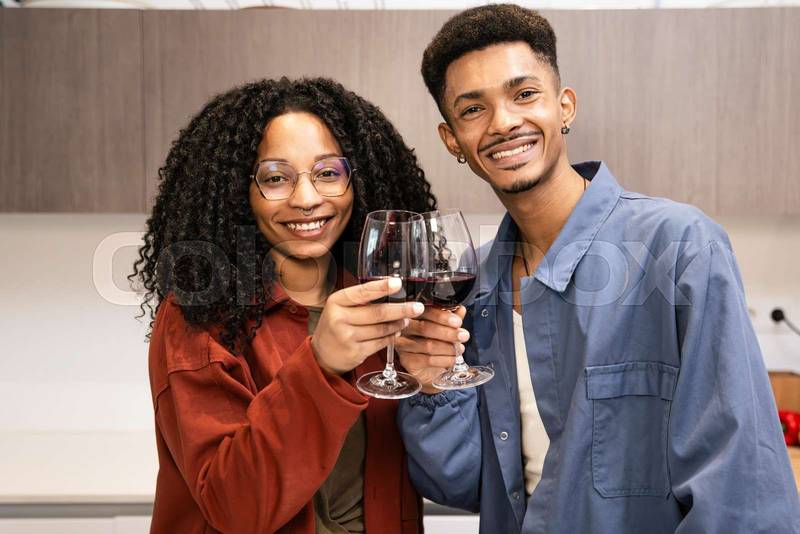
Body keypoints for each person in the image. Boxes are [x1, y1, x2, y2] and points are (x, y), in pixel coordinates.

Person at [395, 5, 800, 533]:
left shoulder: (679, 248)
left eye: (524, 94)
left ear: (565, 107)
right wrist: (433, 386)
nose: (503, 123)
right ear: (453, 140)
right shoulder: (478, 290)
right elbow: (463, 484)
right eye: (473, 110)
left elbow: (742, 491)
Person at [130, 77, 437, 534]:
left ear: (358, 180)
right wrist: (321, 365)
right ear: (240, 192)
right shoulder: (197, 317)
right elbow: (235, 509)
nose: (307, 198)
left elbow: (447, 479)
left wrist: (434, 391)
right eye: (276, 178)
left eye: (328, 173)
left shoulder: (389, 302)